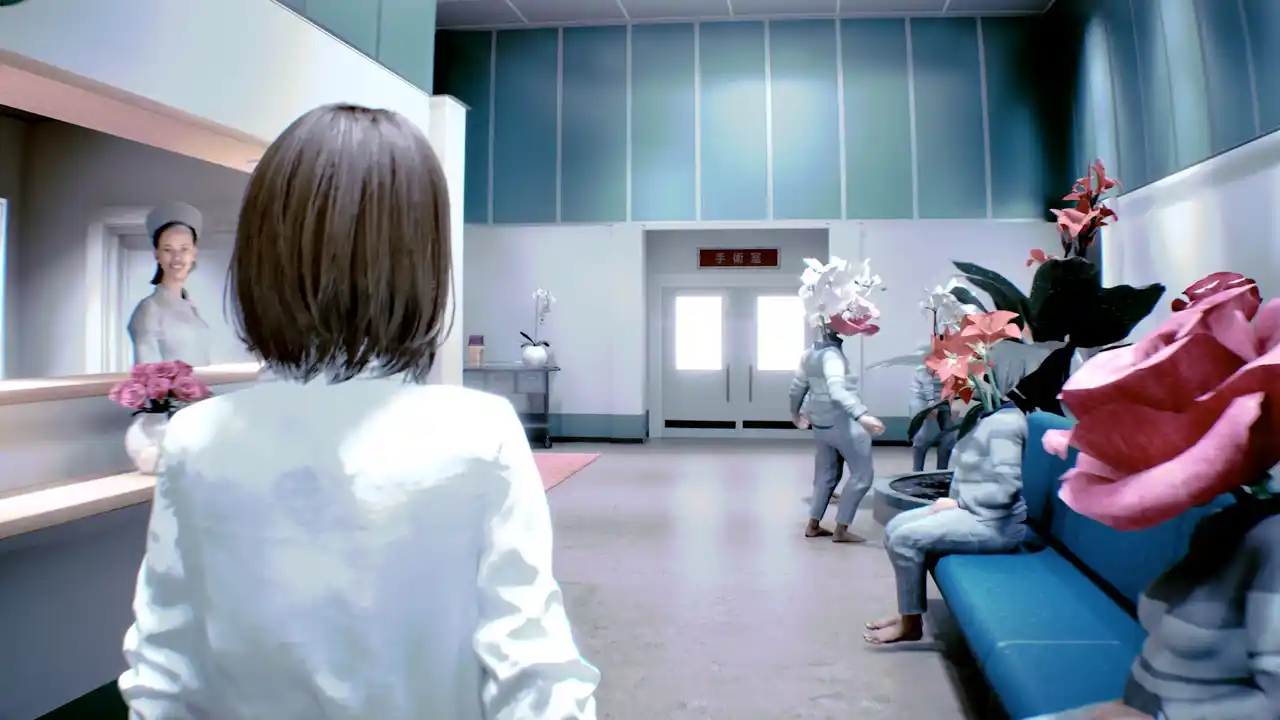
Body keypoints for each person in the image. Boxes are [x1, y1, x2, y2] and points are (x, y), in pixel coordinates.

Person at [117, 104, 600, 719]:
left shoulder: (195, 438)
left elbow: (164, 671)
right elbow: (534, 675)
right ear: (421, 261)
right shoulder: (479, 433)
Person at [864, 340, 1061, 644]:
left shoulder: (1006, 425)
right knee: (894, 529)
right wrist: (956, 501)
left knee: (904, 539)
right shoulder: (988, 417)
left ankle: (911, 624)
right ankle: (908, 614)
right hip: (975, 513)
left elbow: (1006, 490)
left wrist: (959, 503)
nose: (956, 386)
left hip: (992, 525)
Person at [790, 326, 886, 543]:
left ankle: (813, 525)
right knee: (862, 475)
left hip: (821, 425)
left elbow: (797, 388)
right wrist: (861, 416)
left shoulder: (809, 354)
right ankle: (841, 529)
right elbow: (837, 391)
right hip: (845, 424)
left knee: (826, 475)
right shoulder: (832, 356)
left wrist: (795, 413)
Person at [126, 202, 212, 366]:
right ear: (157, 255)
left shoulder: (190, 305)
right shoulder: (149, 309)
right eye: (167, 249)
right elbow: (147, 372)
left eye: (184, 249)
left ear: (194, 253)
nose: (177, 258)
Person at [908, 363, 956, 472]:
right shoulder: (924, 366)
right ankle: (917, 471)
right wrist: (931, 404)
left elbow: (955, 382)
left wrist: (953, 402)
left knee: (949, 438)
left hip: (943, 399)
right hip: (922, 399)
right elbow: (927, 384)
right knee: (923, 436)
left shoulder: (954, 361)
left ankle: (941, 471)